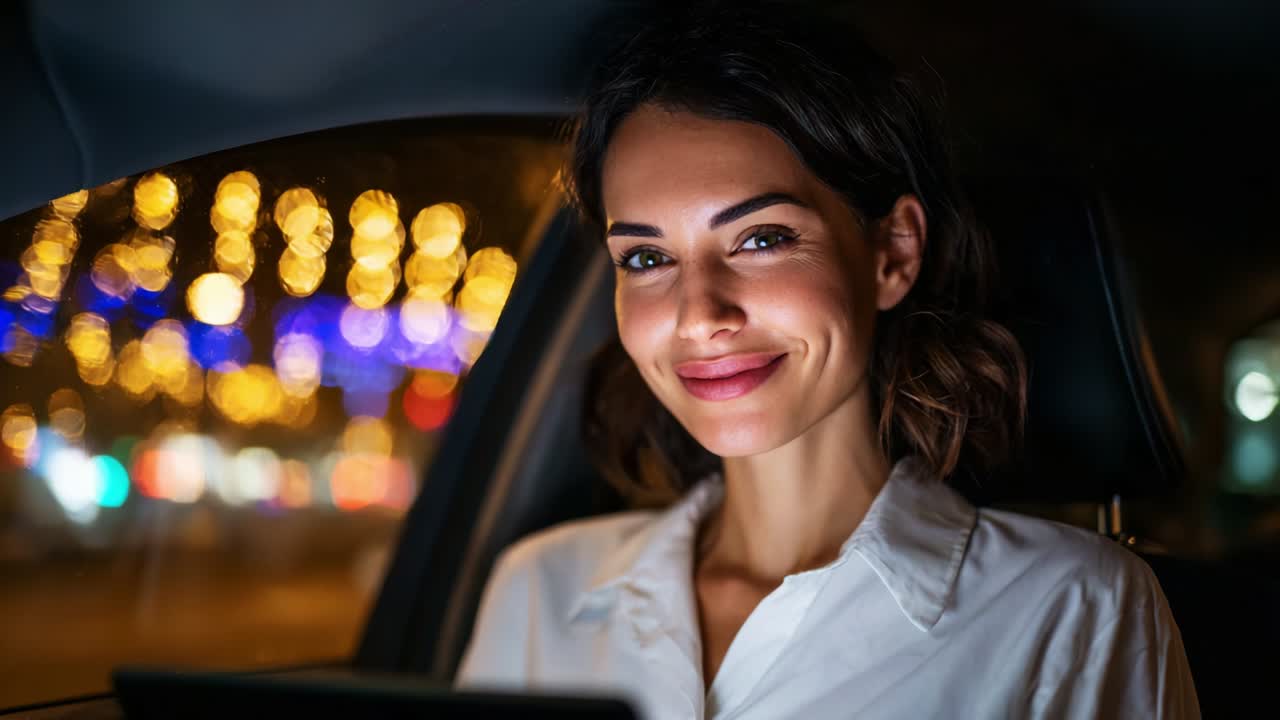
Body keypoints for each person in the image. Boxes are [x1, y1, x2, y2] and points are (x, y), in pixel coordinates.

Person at [455, 2, 1199, 718]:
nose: (701, 315)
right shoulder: (541, 590)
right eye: (648, 257)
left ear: (892, 253)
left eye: (763, 238)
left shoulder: (1074, 607)